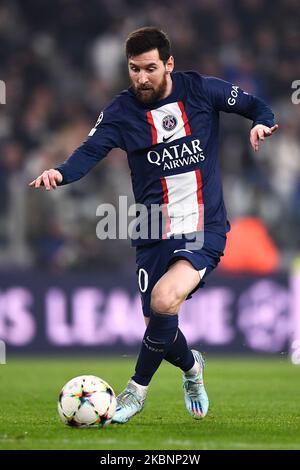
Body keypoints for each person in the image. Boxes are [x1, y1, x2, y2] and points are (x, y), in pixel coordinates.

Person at [29, 27, 278, 424]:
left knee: (165, 300)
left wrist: (261, 123)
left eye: (149, 68)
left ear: (168, 65)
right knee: (158, 323)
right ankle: (193, 368)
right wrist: (59, 173)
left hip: (203, 225)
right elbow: (89, 151)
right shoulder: (120, 111)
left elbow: (256, 105)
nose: (141, 78)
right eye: (134, 69)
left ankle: (135, 391)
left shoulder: (200, 90)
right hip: (151, 228)